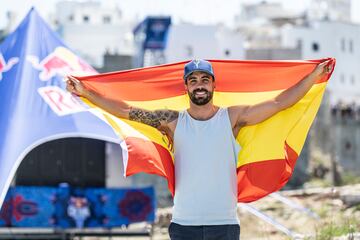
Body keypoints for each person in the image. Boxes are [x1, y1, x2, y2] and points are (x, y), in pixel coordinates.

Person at [66, 59, 332, 240]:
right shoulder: (171, 121)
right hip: (184, 226)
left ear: (214, 85)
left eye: (205, 79)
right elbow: (127, 111)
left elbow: (280, 102)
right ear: (187, 87)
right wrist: (88, 93)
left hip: (225, 225)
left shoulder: (232, 118)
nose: (200, 85)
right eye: (193, 81)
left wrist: (313, 76)